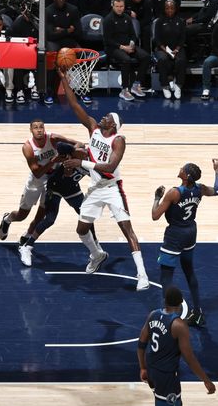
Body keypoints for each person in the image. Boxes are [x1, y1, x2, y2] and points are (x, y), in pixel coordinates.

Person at [59, 75, 150, 291]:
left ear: (114, 125)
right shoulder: (93, 129)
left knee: (127, 229)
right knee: (81, 229)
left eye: (108, 117)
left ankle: (142, 275)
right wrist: (64, 79)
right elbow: (74, 104)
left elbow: (109, 168)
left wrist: (81, 162)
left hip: (112, 189)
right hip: (95, 189)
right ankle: (98, 254)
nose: (103, 116)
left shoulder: (117, 141)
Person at [151, 160, 218, 326]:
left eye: (183, 168)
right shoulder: (200, 189)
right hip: (190, 231)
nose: (180, 168)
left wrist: (156, 198)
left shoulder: (174, 193)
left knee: (166, 276)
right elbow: (217, 190)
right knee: (189, 271)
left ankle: (168, 316)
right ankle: (198, 313)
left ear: (187, 175)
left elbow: (155, 215)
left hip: (175, 234)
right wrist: (217, 171)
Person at [0, 118, 75, 241]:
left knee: (42, 212)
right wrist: (53, 160)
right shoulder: (28, 147)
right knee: (22, 215)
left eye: (41, 127)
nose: (39, 130)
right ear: (31, 130)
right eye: (36, 127)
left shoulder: (53, 138)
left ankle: (28, 234)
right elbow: (37, 173)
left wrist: (71, 154)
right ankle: (7, 219)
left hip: (52, 179)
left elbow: (78, 144)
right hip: (36, 180)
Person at [137, 286, 216, 405]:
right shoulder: (178, 325)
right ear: (180, 304)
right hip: (166, 376)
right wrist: (206, 380)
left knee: (163, 401)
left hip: (152, 371)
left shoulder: (152, 315)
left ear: (165, 301)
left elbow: (141, 344)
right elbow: (189, 358)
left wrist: (143, 368)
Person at [17, 141, 92, 267]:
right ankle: (27, 246)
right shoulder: (79, 151)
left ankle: (95, 250)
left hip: (72, 188)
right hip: (55, 186)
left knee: (86, 216)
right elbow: (62, 146)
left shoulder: (96, 164)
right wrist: (72, 152)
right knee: (50, 219)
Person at [102, 0, 149, 101]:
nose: (119, 8)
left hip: (128, 45)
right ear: (113, 6)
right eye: (117, 6)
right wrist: (123, 47)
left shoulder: (127, 18)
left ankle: (136, 85)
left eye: (121, 6)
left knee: (146, 57)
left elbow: (133, 34)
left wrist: (131, 45)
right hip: (113, 48)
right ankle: (124, 90)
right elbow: (107, 40)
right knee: (126, 59)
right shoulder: (108, 20)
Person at [153, 0, 187, 99]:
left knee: (181, 60)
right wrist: (166, 50)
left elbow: (182, 38)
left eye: (172, 8)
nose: (170, 10)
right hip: (162, 48)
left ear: (175, 9)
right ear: (164, 9)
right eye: (167, 8)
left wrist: (176, 49)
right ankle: (165, 86)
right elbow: (157, 39)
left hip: (177, 48)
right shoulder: (159, 21)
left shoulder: (180, 21)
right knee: (163, 59)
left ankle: (178, 85)